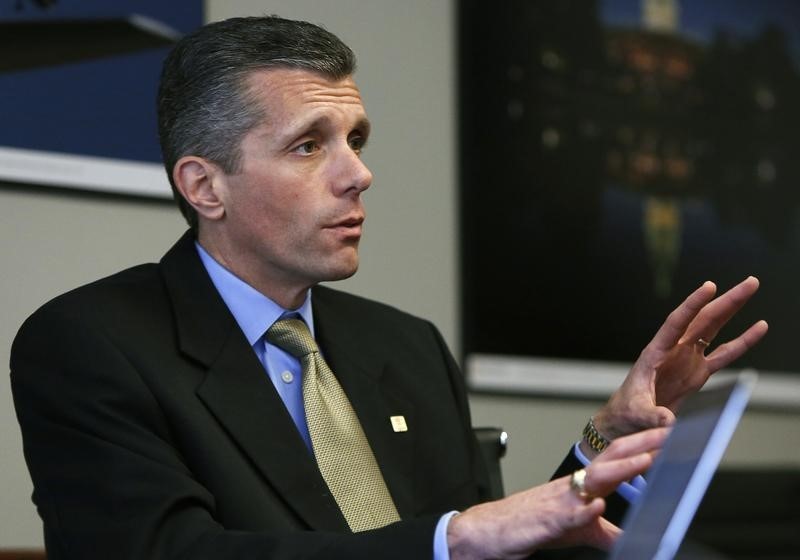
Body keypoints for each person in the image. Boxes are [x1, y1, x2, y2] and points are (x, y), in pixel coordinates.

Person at [10, 15, 768, 560]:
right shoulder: (92, 341)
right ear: (205, 187)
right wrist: (457, 535)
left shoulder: (404, 345)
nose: (358, 174)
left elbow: (501, 545)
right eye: (310, 145)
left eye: (356, 140)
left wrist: (609, 436)